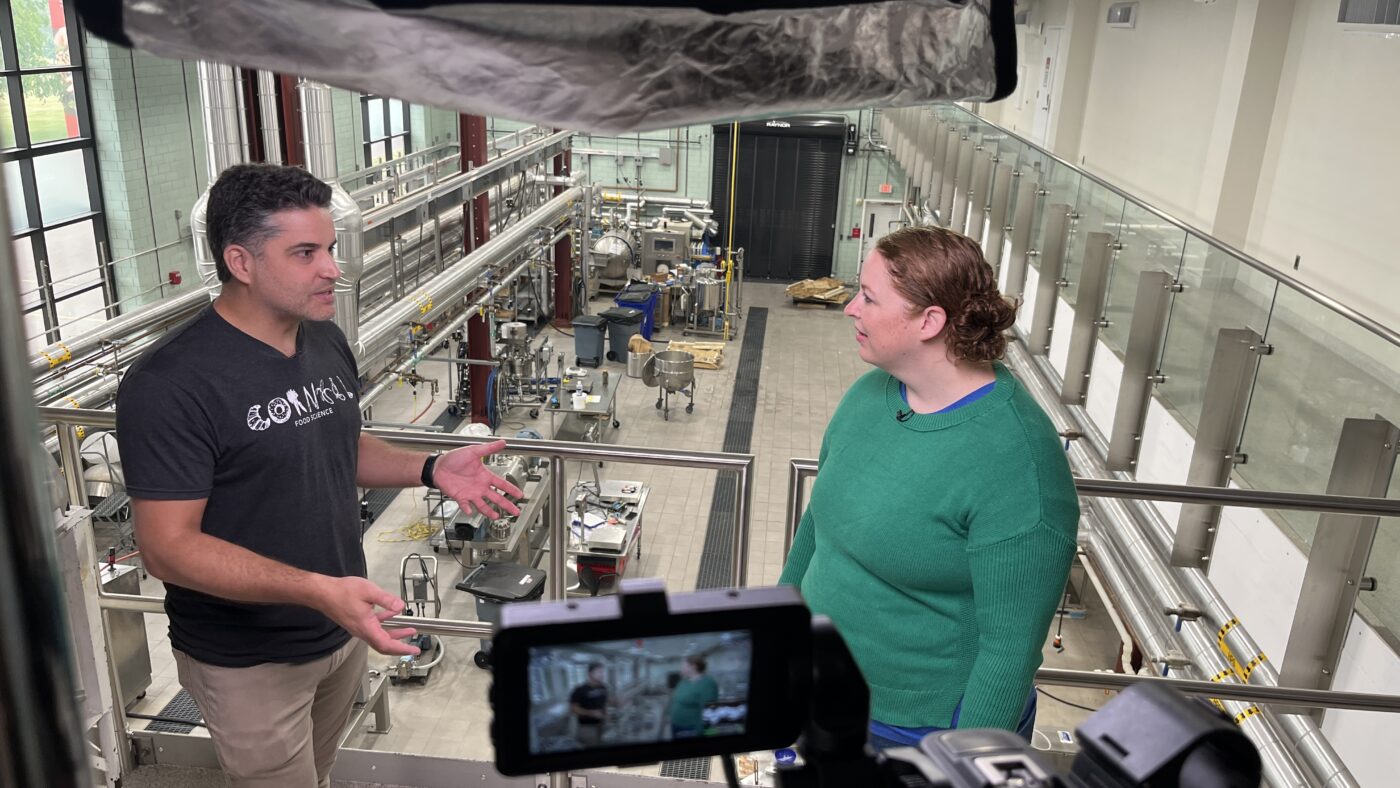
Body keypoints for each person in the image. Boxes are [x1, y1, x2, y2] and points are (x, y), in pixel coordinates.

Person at [116, 163, 523, 788]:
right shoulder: (171, 383)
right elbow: (168, 548)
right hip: (251, 657)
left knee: (320, 771)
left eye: (330, 248)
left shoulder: (325, 339)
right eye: (305, 252)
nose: (334, 268)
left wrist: (430, 467)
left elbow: (336, 442)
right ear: (241, 262)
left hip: (341, 622)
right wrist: (316, 589)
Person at [778, 226, 1079, 751]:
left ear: (929, 320)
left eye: (869, 297)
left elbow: (1009, 650)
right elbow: (817, 527)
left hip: (915, 727)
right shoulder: (870, 395)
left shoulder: (1016, 464)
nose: (851, 308)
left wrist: (960, 765)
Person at [668, 655, 719, 739]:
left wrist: (705, 733)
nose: (681, 668)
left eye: (683, 665)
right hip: (676, 725)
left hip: (691, 729)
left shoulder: (708, 684)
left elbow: (710, 712)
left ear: (693, 667)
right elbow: (676, 699)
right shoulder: (683, 682)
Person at [569, 663, 610, 747]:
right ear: (590, 674)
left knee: (599, 742)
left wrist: (616, 702)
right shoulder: (579, 690)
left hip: (601, 723)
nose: (602, 674)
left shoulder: (603, 687)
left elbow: (605, 700)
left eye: (602, 672)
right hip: (587, 727)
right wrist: (591, 713)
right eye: (599, 672)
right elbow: (573, 708)